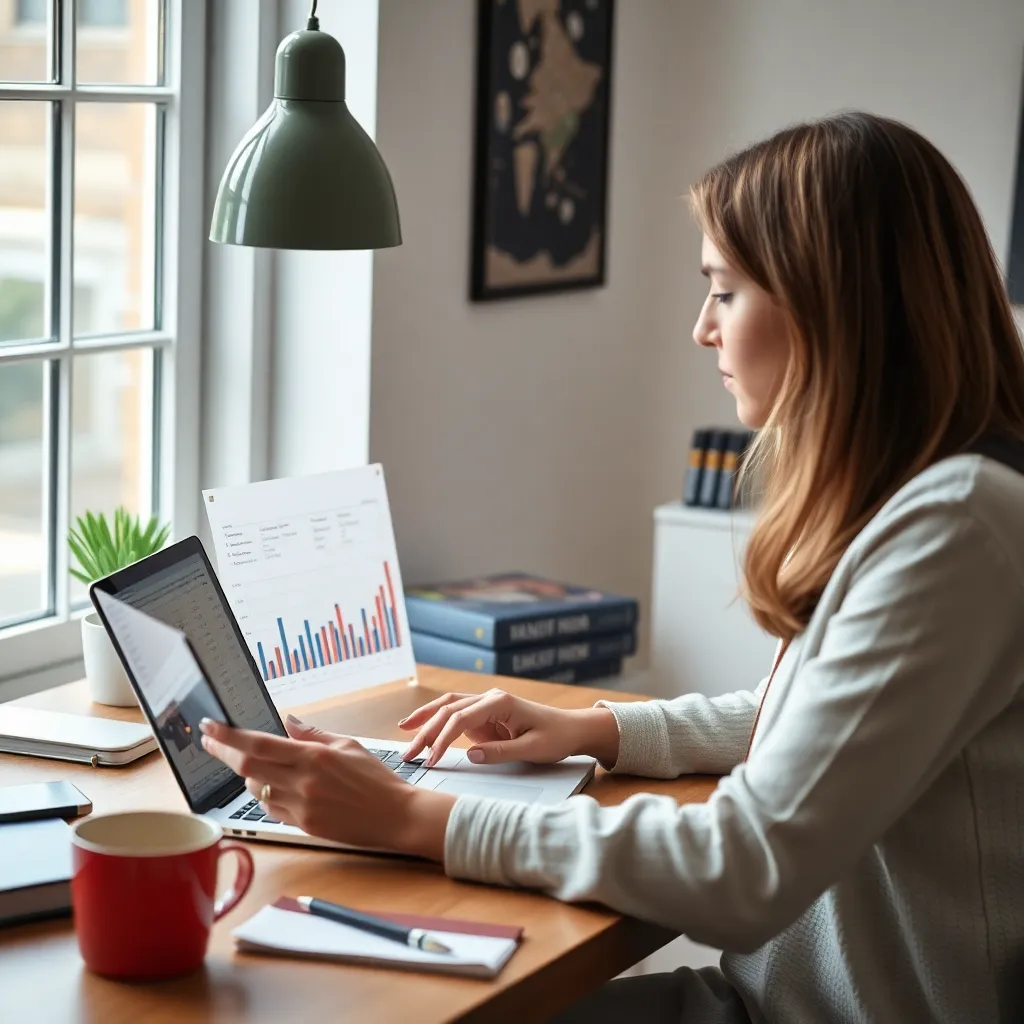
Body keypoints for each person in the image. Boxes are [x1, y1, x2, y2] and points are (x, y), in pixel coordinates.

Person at [200, 112, 1024, 1023]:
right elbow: (808, 721)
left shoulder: (955, 530)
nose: (701, 329)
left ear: (836, 305)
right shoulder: (929, 498)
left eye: (725, 291)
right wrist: (591, 730)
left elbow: (745, 869)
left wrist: (410, 818)